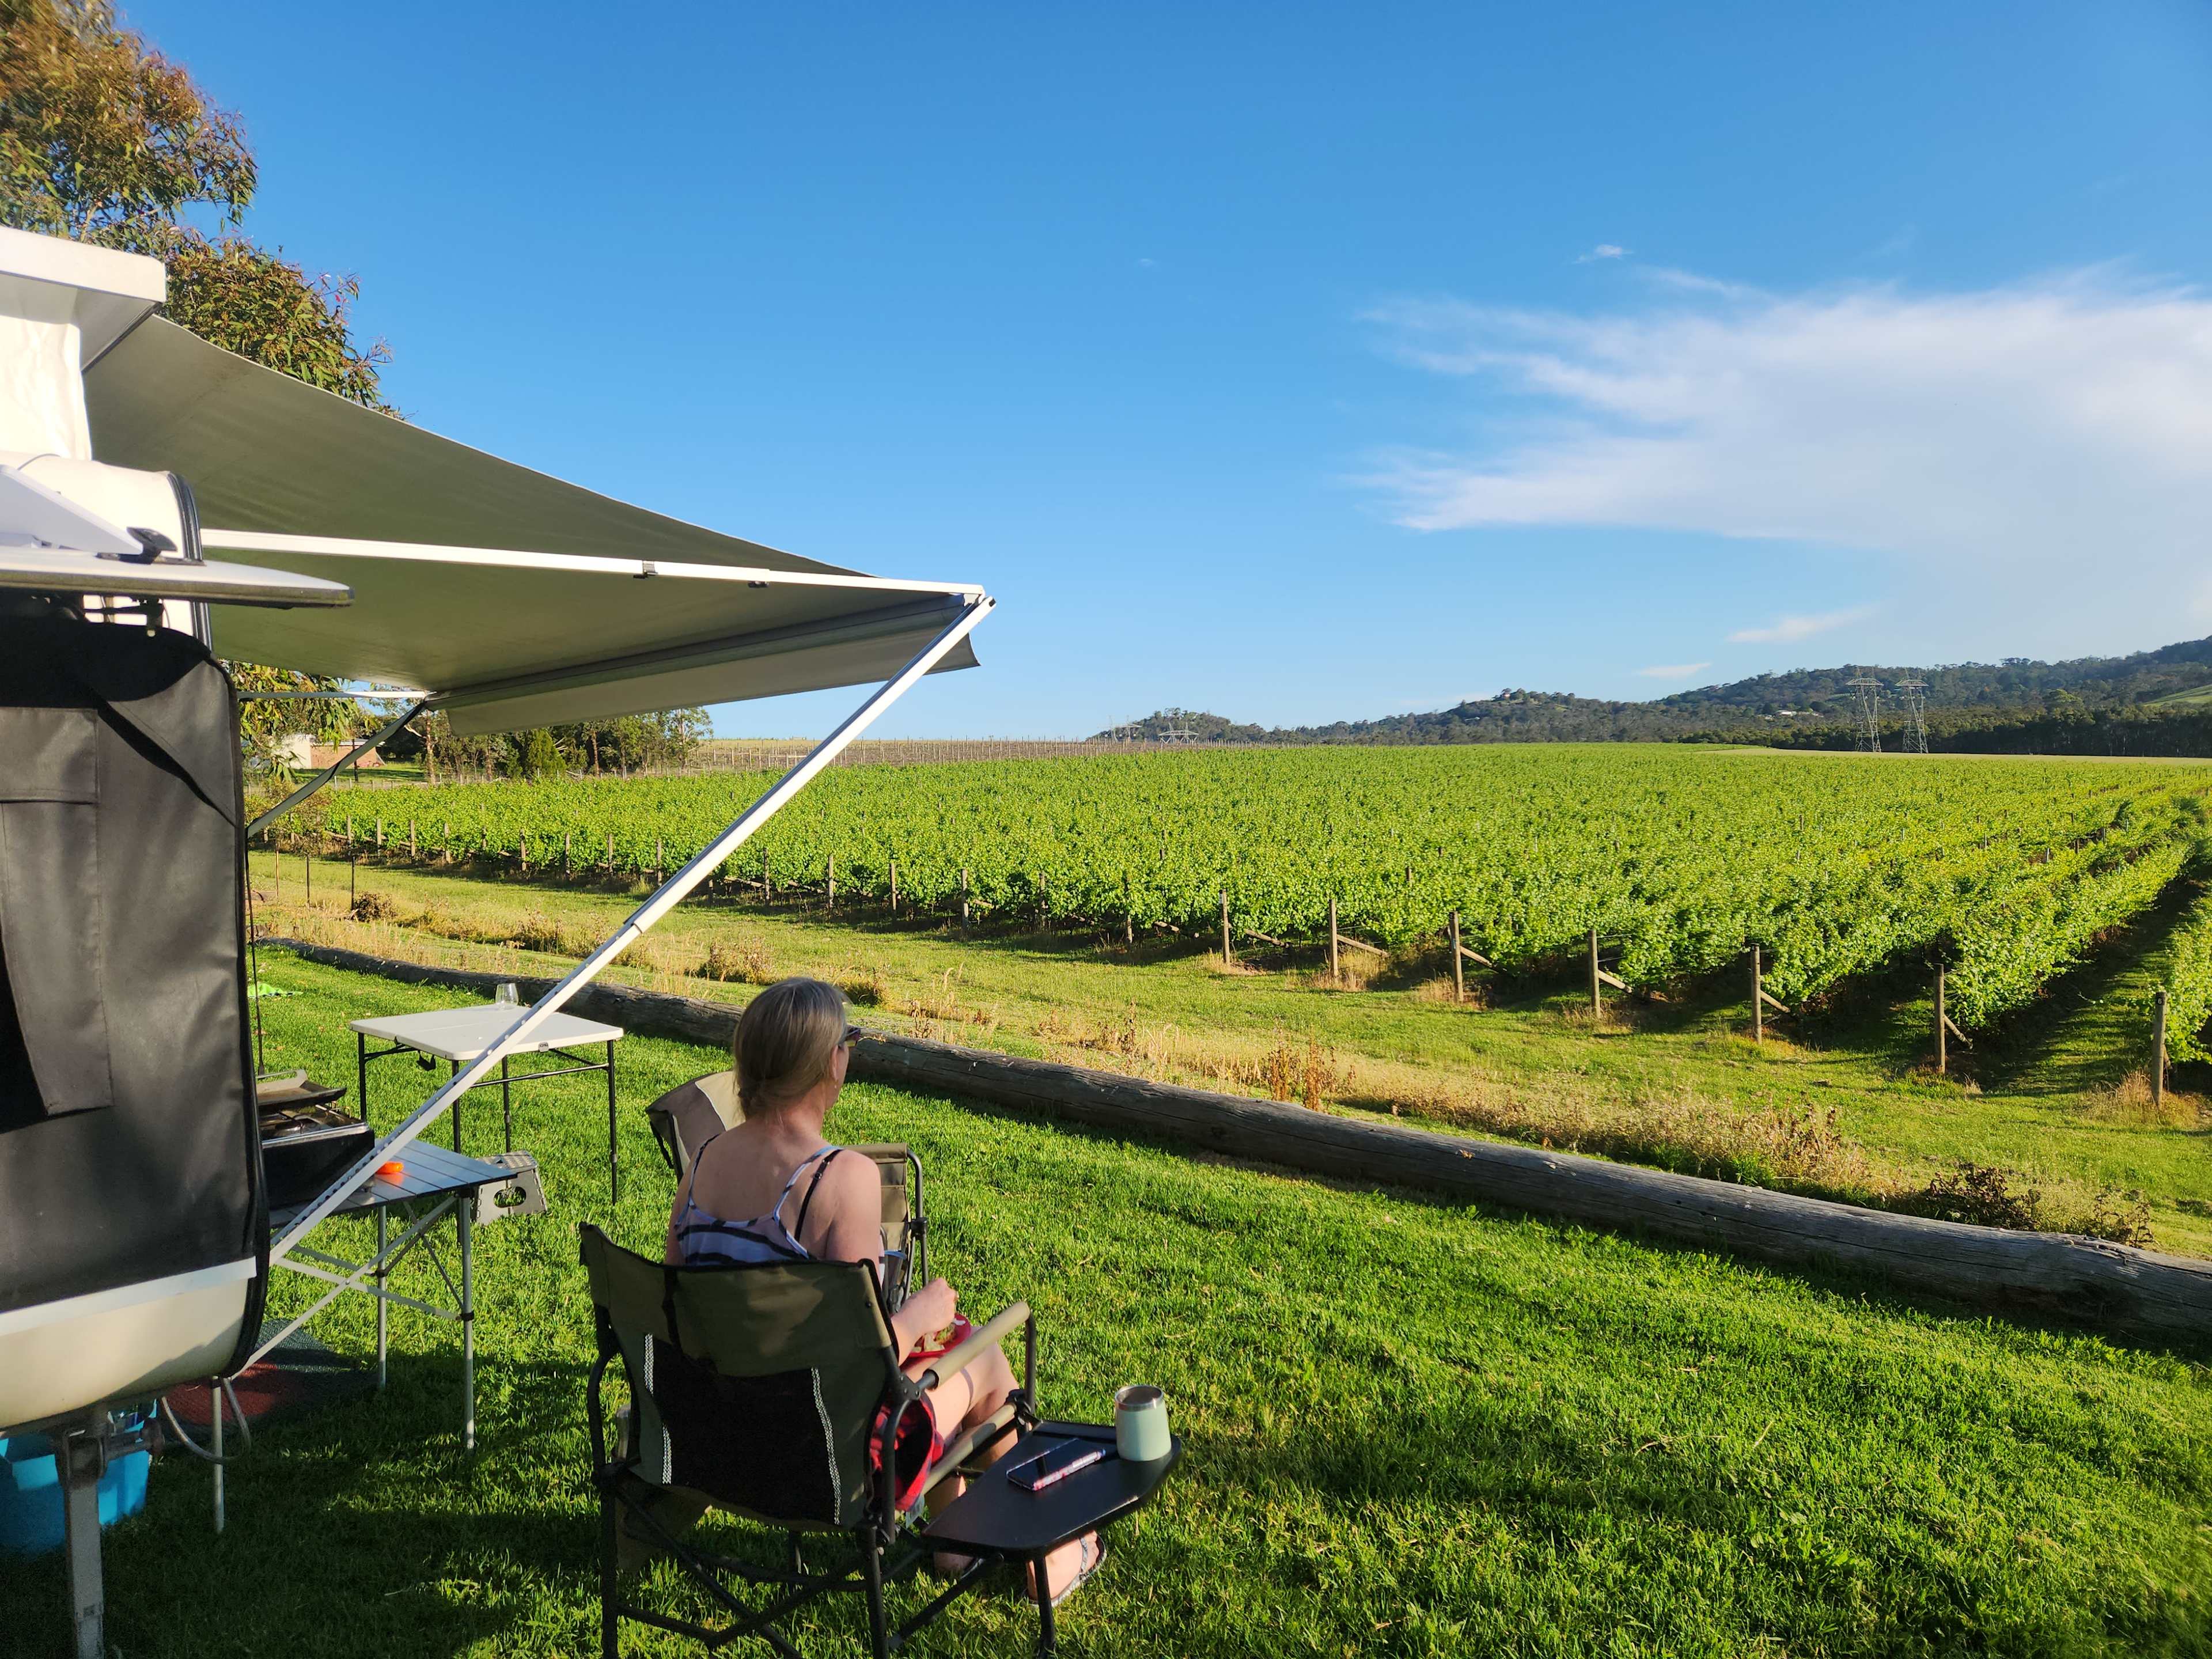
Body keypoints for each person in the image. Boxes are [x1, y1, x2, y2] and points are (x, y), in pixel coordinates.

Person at [664, 975, 1103, 1604]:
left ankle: (956, 1539)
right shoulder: (840, 1178)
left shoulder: (700, 1165)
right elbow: (862, 1361)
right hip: (823, 1459)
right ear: (831, 1063)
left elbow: (679, 1312)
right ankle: (1054, 1557)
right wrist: (927, 1308)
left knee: (941, 1350)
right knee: (976, 1351)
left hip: (720, 1442)